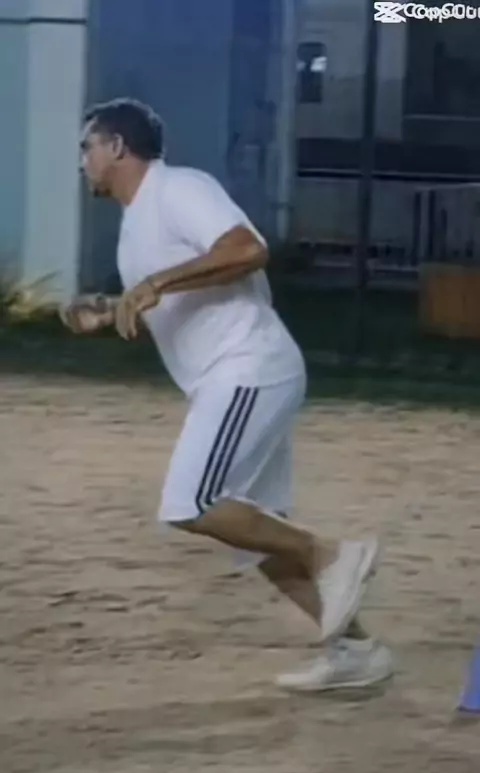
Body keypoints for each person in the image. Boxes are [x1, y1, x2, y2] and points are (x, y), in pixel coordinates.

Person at [61, 98, 393, 691]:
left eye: (87, 146)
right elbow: (175, 306)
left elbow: (246, 249)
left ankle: (332, 554)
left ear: (116, 147)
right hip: (235, 374)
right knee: (259, 541)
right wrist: (112, 310)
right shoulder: (136, 225)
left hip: (247, 367)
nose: (82, 159)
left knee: (192, 502)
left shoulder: (178, 189)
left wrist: (154, 283)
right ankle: (356, 652)